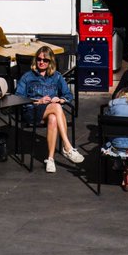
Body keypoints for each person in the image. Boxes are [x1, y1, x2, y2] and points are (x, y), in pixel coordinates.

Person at [15, 45, 84, 173]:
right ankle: (67, 147)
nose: (41, 62)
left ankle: (50, 159)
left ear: (50, 61)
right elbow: (18, 97)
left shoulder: (56, 76)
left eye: (45, 60)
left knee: (53, 118)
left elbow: (68, 95)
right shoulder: (27, 77)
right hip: (32, 110)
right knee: (56, 108)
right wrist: (38, 101)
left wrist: (61, 99)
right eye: (39, 59)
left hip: (50, 110)